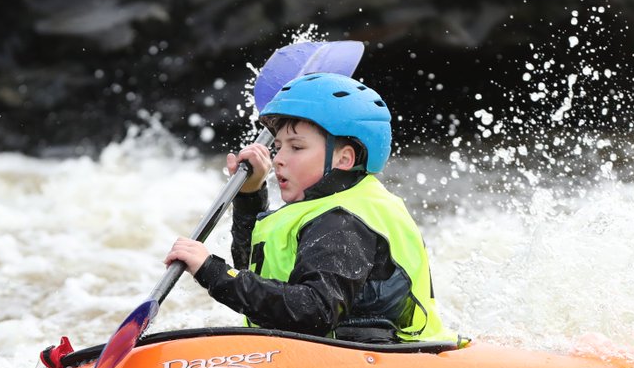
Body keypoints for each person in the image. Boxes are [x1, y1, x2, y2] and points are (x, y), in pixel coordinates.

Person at [164, 72, 465, 346]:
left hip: (378, 360)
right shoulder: (326, 209)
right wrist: (250, 194)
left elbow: (313, 312)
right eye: (278, 146)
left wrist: (213, 271)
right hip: (335, 356)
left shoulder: (343, 222)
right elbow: (257, 270)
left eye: (296, 147)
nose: (278, 158)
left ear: (344, 159)